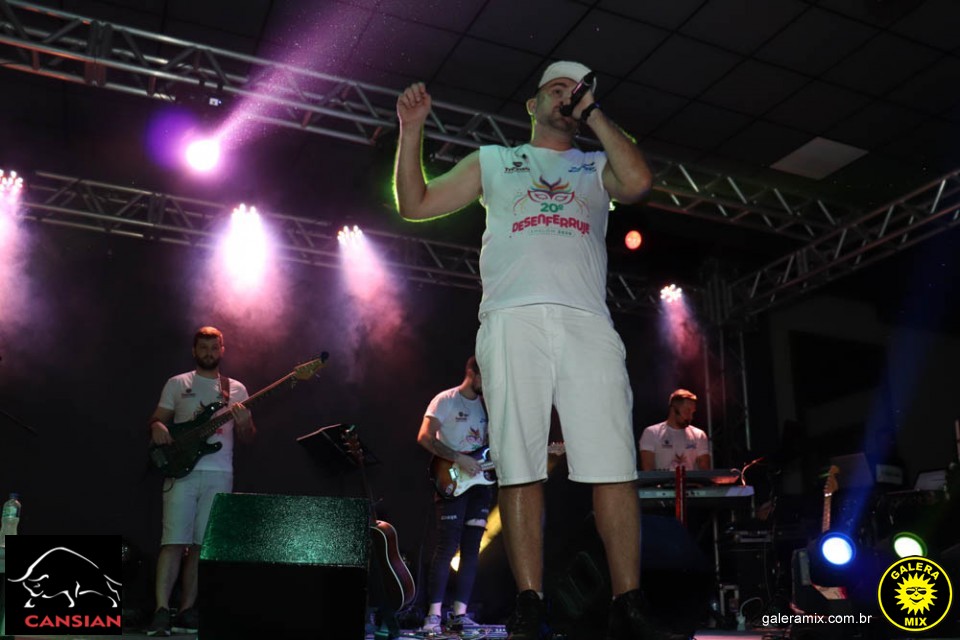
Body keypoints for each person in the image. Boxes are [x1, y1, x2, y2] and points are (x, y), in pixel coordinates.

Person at [395, 61, 675, 640]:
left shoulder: (595, 165)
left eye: (577, 91)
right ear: (532, 104)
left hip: (586, 321)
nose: (567, 97)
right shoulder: (494, 161)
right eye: (556, 89)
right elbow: (414, 203)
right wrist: (412, 129)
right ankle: (529, 602)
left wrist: (594, 113)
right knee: (520, 465)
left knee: (614, 465)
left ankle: (628, 602)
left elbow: (640, 183)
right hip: (511, 319)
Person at [145, 326, 256, 636]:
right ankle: (161, 610)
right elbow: (157, 418)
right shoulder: (177, 383)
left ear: (222, 350)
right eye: (203, 348)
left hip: (220, 474)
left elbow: (248, 437)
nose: (209, 353)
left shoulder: (236, 389)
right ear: (194, 351)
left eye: (214, 347)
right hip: (182, 472)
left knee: (200, 545)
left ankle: (186, 611)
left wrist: (245, 423)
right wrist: (157, 426)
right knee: (173, 541)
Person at [416, 356, 492, 633]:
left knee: (472, 549)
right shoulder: (445, 400)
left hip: (481, 485)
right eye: (485, 376)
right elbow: (424, 437)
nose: (488, 382)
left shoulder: (488, 405)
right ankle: (434, 615)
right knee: (447, 546)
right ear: (471, 372)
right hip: (451, 479)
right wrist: (459, 458)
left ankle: (460, 613)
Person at [639, 389, 711, 471]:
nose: (691, 417)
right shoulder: (651, 433)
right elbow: (648, 469)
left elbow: (705, 470)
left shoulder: (699, 435)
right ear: (674, 410)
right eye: (687, 411)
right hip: (663, 479)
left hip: (689, 480)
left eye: (692, 412)